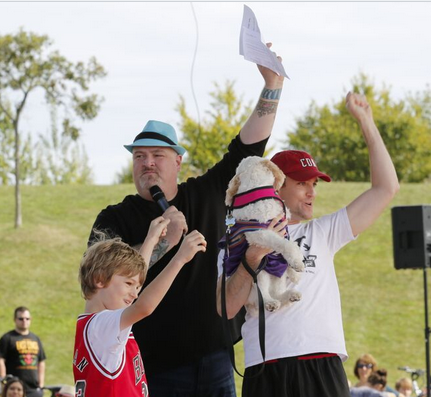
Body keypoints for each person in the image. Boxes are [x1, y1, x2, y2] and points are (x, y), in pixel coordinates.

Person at [88, 43, 285, 396]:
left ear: (177, 162)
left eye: (158, 155)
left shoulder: (205, 193)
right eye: (140, 156)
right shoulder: (114, 218)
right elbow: (100, 281)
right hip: (150, 365)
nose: (148, 163)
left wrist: (272, 85)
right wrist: (163, 243)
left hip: (214, 358)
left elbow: (247, 149)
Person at [216, 92, 400, 397]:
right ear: (276, 185)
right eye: (302, 183)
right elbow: (225, 308)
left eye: (313, 184)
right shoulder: (237, 238)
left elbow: (386, 188)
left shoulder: (324, 231)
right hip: (266, 366)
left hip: (322, 365)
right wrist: (251, 258)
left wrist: (366, 121)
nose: (311, 192)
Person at [74, 218, 207, 396]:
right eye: (128, 284)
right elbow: (144, 306)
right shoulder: (102, 326)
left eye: (136, 287)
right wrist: (179, 259)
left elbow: (136, 282)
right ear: (99, 279)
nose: (135, 293)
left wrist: (151, 240)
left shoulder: (97, 325)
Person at [0, 307, 46, 397]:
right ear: (15, 320)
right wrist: (3, 380)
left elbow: (41, 362)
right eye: (21, 319)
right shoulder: (7, 338)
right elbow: (1, 360)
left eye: (27, 318)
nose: (24, 321)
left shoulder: (35, 339)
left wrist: (41, 385)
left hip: (33, 388)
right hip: (14, 388)